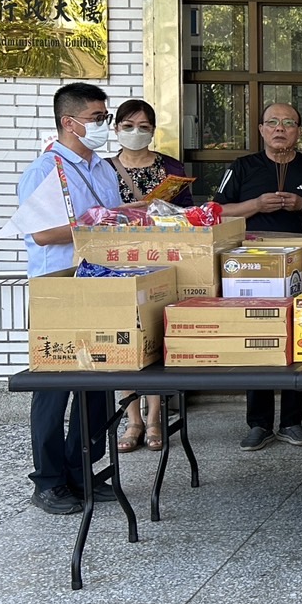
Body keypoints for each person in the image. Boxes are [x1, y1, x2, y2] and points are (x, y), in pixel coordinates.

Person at [19, 83, 122, 514]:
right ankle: (47, 479)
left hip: (100, 282)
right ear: (70, 122)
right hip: (58, 289)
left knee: (98, 382)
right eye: (98, 118)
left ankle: (83, 470)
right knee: (55, 387)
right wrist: (96, 224)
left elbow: (112, 217)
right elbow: (42, 233)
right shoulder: (46, 170)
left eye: (105, 118)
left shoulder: (101, 167)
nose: (104, 125)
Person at [214, 101, 302, 450]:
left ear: (299, 130)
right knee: (258, 336)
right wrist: (256, 205)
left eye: (288, 123)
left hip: (301, 261)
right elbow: (218, 211)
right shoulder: (243, 167)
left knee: (298, 335)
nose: (280, 128)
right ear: (261, 129)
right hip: (253, 263)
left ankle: (292, 421)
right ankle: (258, 423)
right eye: (273, 122)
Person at [109, 99, 192, 455]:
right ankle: (133, 419)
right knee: (123, 338)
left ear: (153, 130)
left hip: (161, 259)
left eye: (143, 126)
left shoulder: (169, 167)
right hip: (116, 261)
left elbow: (188, 213)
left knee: (155, 335)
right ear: (116, 129)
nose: (136, 132)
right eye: (128, 126)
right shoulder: (102, 168)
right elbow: (95, 213)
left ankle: (156, 416)